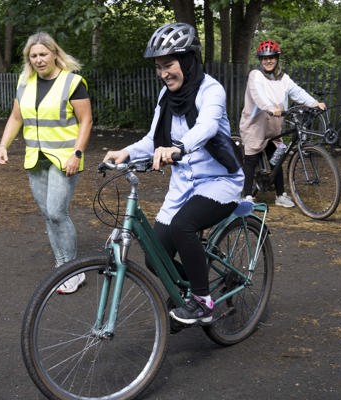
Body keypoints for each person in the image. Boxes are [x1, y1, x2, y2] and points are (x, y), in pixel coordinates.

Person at [102, 22, 244, 325]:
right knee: (156, 257)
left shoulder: (211, 90)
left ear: (188, 60)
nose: (164, 73)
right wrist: (125, 152)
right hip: (183, 187)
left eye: (169, 64)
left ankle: (203, 302)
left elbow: (206, 128)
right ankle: (194, 288)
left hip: (219, 182)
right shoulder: (165, 98)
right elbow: (152, 140)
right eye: (158, 67)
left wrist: (178, 147)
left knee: (183, 226)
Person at [0, 32, 92, 294]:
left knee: (57, 212)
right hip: (35, 158)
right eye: (33, 55)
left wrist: (78, 153)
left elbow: (86, 120)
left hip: (64, 158)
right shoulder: (25, 83)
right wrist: (4, 145)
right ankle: (62, 265)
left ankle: (74, 271)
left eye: (43, 54)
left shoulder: (72, 82)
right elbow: (16, 117)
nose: (38, 60)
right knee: (47, 216)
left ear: (54, 54)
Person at [239, 39, 326, 207]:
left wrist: (314, 102)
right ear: (260, 60)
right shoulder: (255, 75)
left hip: (274, 127)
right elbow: (258, 95)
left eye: (271, 57)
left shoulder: (283, 78)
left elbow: (297, 92)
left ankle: (281, 195)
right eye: (264, 58)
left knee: (277, 158)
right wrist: (270, 107)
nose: (268, 61)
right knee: (251, 159)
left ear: (277, 58)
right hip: (255, 126)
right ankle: (247, 197)